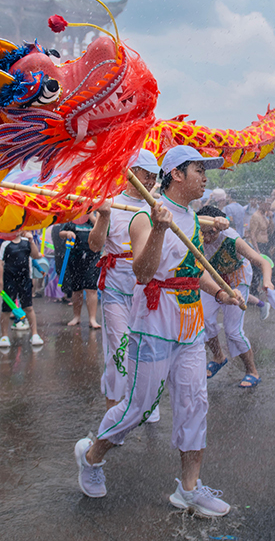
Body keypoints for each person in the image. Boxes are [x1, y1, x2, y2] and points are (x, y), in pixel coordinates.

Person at [75, 145, 242, 516]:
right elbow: (143, 273)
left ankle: (189, 488)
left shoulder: (195, 219)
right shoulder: (144, 216)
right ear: (177, 174)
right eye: (199, 169)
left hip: (190, 326)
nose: (205, 177)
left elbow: (192, 271)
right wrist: (159, 230)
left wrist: (220, 292)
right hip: (153, 324)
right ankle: (91, 456)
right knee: (138, 407)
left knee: (195, 402)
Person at [88, 149, 160, 410]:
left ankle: (145, 405)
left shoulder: (157, 207)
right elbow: (95, 246)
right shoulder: (112, 204)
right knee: (119, 348)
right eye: (146, 175)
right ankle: (114, 406)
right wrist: (104, 216)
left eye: (154, 176)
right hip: (116, 290)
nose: (151, 181)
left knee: (148, 346)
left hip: (148, 291)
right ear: (131, 174)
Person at [197, 205, 272, 388]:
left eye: (211, 233)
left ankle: (252, 371)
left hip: (237, 280)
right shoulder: (195, 236)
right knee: (204, 320)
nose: (206, 238)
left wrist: (267, 281)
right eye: (203, 233)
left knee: (233, 331)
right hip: (214, 280)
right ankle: (218, 357)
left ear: (220, 228)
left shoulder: (230, 237)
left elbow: (261, 261)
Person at [0, 231, 44, 347]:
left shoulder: (26, 242)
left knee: (28, 307)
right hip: (9, 279)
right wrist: (0, 282)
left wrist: (32, 241)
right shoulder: (5, 244)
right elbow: (0, 263)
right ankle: (4, 336)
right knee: (6, 308)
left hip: (25, 279)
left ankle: (35, 334)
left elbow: (35, 255)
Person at [59, 214, 102, 329]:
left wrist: (92, 217)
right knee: (76, 288)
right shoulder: (73, 218)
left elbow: (102, 229)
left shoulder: (94, 218)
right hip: (75, 256)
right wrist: (67, 234)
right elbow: (61, 233)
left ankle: (92, 319)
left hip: (92, 256)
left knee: (91, 288)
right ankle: (76, 316)